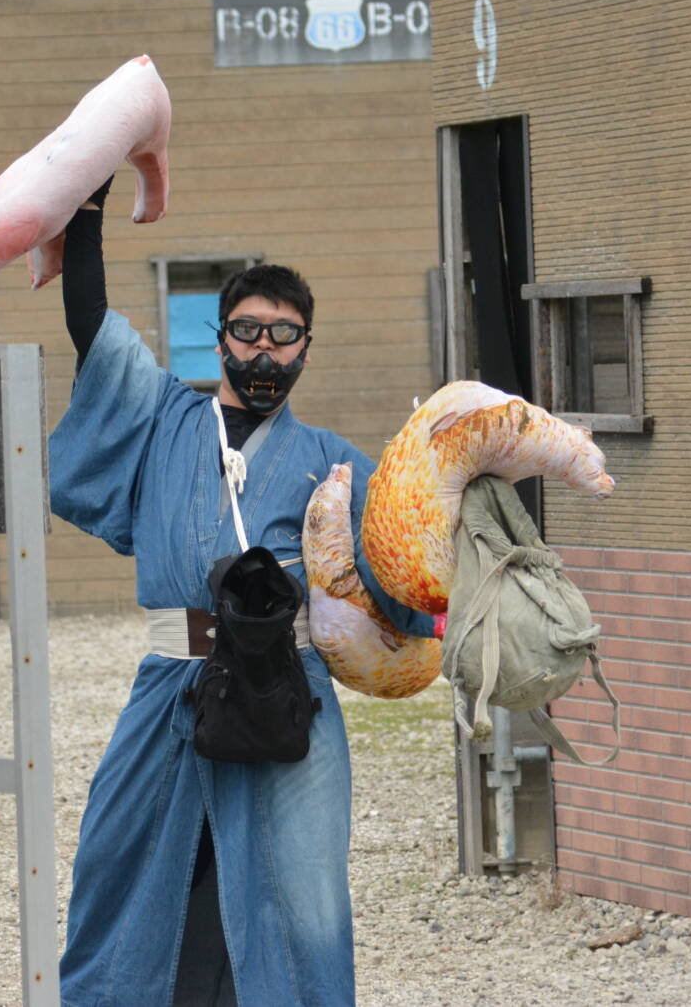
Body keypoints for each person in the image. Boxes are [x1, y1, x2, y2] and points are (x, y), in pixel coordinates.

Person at [48, 177, 434, 1006]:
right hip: (174, 683)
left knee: (301, 899)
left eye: (283, 336)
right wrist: (85, 216)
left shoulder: (332, 462)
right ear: (219, 337)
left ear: (305, 349)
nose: (264, 351)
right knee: (123, 866)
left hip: (287, 689)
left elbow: (404, 562)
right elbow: (94, 331)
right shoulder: (162, 420)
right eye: (248, 331)